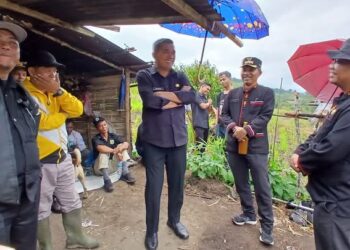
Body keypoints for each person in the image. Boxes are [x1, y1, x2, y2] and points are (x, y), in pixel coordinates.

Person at [23, 50, 99, 249]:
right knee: (40, 207)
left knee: (70, 199)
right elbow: (42, 122)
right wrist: (63, 116)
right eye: (48, 71)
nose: (53, 76)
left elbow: (78, 109)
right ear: (32, 71)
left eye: (55, 72)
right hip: (39, 160)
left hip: (62, 156)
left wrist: (58, 91)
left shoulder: (55, 91)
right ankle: (45, 246)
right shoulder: (24, 93)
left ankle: (75, 238)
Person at [290, 39, 350, 250]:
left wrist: (302, 160)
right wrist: (300, 150)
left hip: (338, 203)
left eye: (339, 61)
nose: (332, 65)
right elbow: (319, 134)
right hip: (328, 199)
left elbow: (332, 148)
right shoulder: (342, 102)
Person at [136, 38, 195, 250]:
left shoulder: (180, 75)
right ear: (154, 55)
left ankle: (174, 220)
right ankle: (151, 231)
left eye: (173, 51)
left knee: (177, 185)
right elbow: (150, 101)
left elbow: (192, 96)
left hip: (178, 141)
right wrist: (179, 98)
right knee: (153, 188)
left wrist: (164, 96)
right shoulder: (144, 75)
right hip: (154, 143)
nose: (171, 55)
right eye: (165, 51)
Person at [221, 57, 275, 245]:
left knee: (262, 186)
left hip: (257, 148)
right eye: (244, 69)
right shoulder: (232, 94)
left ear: (259, 72)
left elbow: (265, 116)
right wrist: (234, 128)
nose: (247, 73)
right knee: (241, 182)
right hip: (234, 146)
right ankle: (248, 214)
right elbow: (224, 115)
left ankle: (267, 226)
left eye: (251, 69)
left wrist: (247, 129)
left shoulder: (266, 93)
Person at [0, 21, 42, 250]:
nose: (5, 46)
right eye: (0, 42)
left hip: (27, 195)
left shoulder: (23, 96)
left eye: (12, 43)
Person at [91, 116, 136, 192]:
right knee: (103, 153)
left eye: (105, 124)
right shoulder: (95, 138)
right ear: (97, 128)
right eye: (100, 126)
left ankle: (125, 173)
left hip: (112, 167)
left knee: (121, 146)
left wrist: (119, 149)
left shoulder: (112, 136)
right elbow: (100, 148)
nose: (104, 127)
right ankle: (107, 181)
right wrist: (115, 151)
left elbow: (126, 144)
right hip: (100, 169)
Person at [191, 82, 212, 152]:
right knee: (200, 144)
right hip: (198, 124)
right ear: (202, 86)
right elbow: (203, 106)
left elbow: (208, 110)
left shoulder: (204, 97)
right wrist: (208, 103)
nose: (208, 91)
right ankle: (198, 160)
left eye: (209, 90)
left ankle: (201, 160)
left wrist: (209, 104)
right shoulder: (196, 95)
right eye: (207, 89)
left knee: (204, 145)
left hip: (205, 124)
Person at [215, 71, 233, 138]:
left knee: (229, 147)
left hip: (230, 126)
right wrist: (216, 124)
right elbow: (218, 110)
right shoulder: (219, 95)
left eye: (224, 79)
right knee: (219, 147)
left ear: (230, 79)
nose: (222, 81)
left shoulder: (236, 93)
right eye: (220, 80)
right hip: (220, 126)